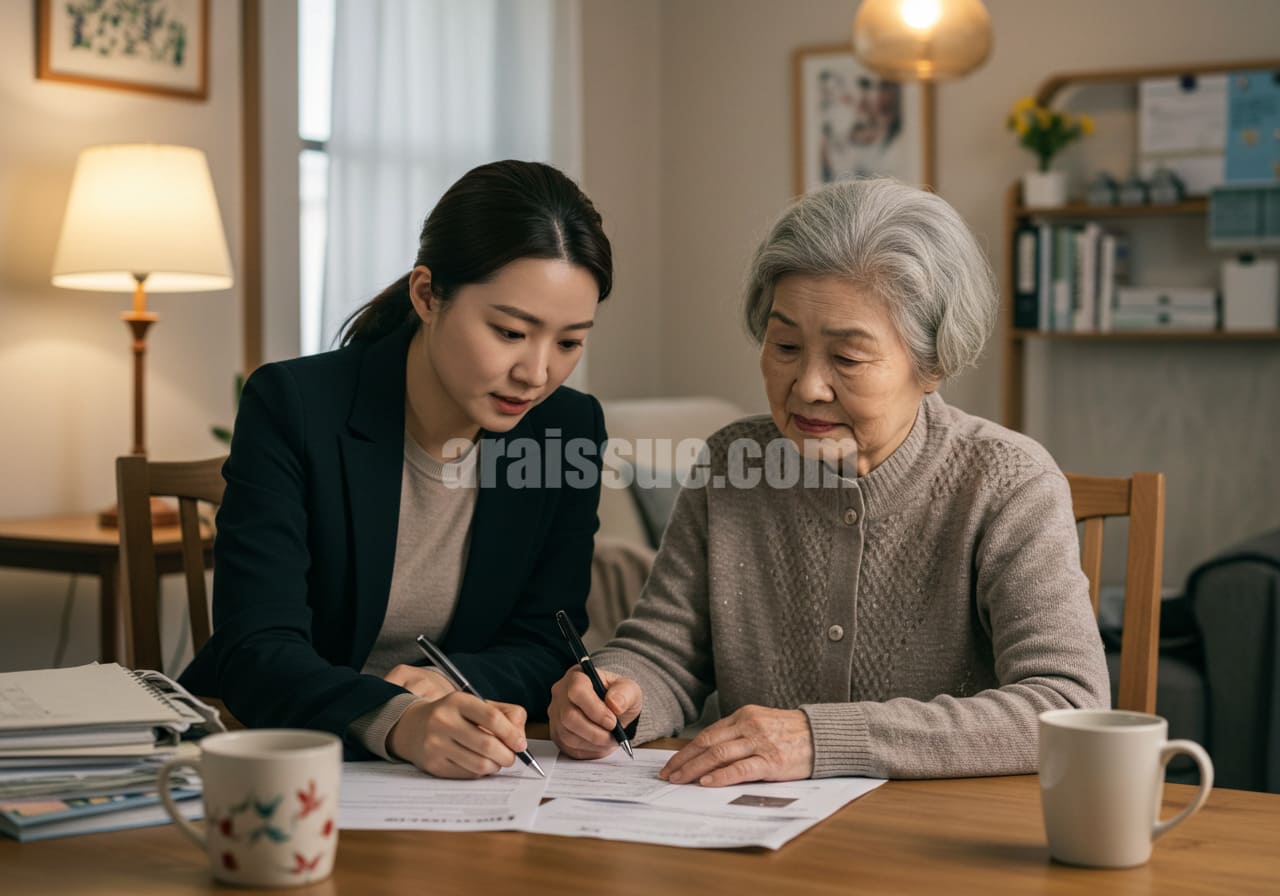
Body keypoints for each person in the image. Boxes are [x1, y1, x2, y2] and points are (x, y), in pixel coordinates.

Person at [548, 177, 1109, 783]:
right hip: (752, 834)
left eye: (847, 358)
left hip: (940, 841)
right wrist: (615, 693)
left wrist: (821, 738)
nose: (809, 386)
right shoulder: (733, 464)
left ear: (933, 364)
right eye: (785, 345)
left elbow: (1066, 703)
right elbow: (664, 650)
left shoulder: (1006, 483)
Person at [182, 160, 613, 779]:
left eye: (569, 343)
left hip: (456, 775)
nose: (536, 373)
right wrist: (396, 719)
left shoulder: (566, 429)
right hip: (278, 754)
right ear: (427, 295)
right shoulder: (296, 406)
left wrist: (449, 681)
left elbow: (549, 641)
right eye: (510, 332)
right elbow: (256, 649)